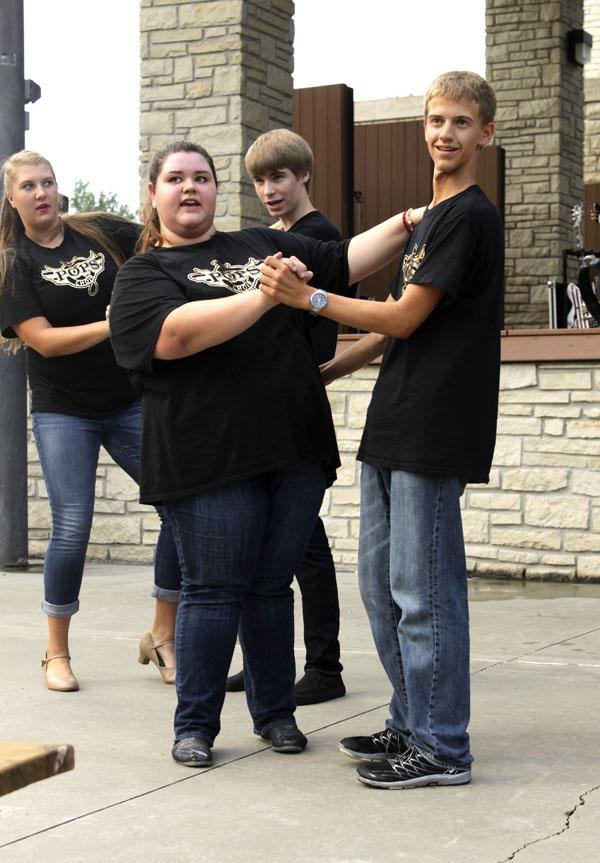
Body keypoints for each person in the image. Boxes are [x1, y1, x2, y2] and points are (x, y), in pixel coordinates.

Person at [108, 140, 424, 768]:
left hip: (294, 446)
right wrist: (268, 296)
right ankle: (195, 725)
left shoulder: (258, 244)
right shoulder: (143, 274)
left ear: (216, 190)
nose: (190, 188)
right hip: (209, 458)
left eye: (202, 177)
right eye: (175, 179)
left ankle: (276, 714)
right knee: (214, 590)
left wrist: (415, 220)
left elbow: (341, 259)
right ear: (154, 193)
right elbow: (173, 337)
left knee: (271, 587)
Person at [259, 71, 504, 789]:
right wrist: (328, 372)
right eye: (435, 120)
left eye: (461, 122)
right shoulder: (431, 217)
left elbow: (401, 316)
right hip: (393, 422)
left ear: (484, 133)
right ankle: (410, 720)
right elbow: (395, 322)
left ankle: (443, 746)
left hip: (435, 428)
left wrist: (311, 298)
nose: (444, 134)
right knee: (378, 585)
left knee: (425, 593)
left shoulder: (470, 217)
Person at [0, 150, 181, 692]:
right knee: (73, 526)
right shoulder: (13, 263)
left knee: (178, 501)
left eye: (48, 182)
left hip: (127, 398)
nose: (41, 193)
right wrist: (113, 326)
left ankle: (162, 636)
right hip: (63, 410)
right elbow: (44, 342)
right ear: (12, 199)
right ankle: (56, 652)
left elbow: (158, 231)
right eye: (28, 186)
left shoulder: (98, 233)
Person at [225, 128, 345, 705]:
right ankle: (269, 662)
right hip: (267, 414)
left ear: (303, 176)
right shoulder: (273, 239)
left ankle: (324, 667)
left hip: (294, 418)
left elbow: (323, 338)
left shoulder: (317, 238)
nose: (269, 189)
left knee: (304, 549)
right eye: (259, 180)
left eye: (279, 177)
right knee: (275, 548)